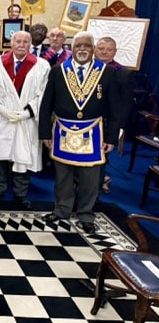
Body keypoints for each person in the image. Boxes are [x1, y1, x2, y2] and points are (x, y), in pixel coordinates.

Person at [39, 31, 121, 234]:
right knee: (62, 175)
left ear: (93, 49)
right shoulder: (58, 70)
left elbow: (115, 108)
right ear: (72, 48)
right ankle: (62, 209)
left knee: (90, 178)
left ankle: (85, 213)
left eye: (87, 45)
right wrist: (45, 133)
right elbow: (46, 104)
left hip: (93, 132)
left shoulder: (107, 72)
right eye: (78, 45)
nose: (82, 49)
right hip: (62, 131)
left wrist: (111, 137)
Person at [0, 30, 50, 209]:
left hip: (26, 119)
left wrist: (28, 112)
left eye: (25, 42)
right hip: (2, 117)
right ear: (11, 43)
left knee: (23, 156)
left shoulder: (42, 65)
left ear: (30, 44)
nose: (21, 45)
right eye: (18, 41)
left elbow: (44, 94)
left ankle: (20, 194)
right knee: (0, 156)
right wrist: (0, 108)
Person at [94, 36, 135, 192]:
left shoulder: (123, 73)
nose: (104, 52)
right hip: (85, 121)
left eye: (109, 49)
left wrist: (117, 129)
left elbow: (125, 105)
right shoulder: (84, 68)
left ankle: (95, 190)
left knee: (101, 158)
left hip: (107, 124)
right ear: (95, 49)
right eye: (101, 48)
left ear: (115, 52)